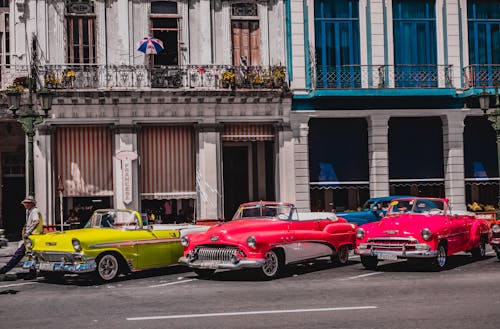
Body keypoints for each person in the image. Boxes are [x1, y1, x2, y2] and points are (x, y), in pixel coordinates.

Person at [0, 195, 43, 279]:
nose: (25, 205)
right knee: (31, 256)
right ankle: (32, 274)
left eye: (26, 203)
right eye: (25, 203)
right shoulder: (33, 211)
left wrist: (28, 232)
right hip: (34, 238)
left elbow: (36, 222)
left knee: (19, 254)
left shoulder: (34, 211)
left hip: (32, 237)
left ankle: (4, 270)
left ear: (31, 204)